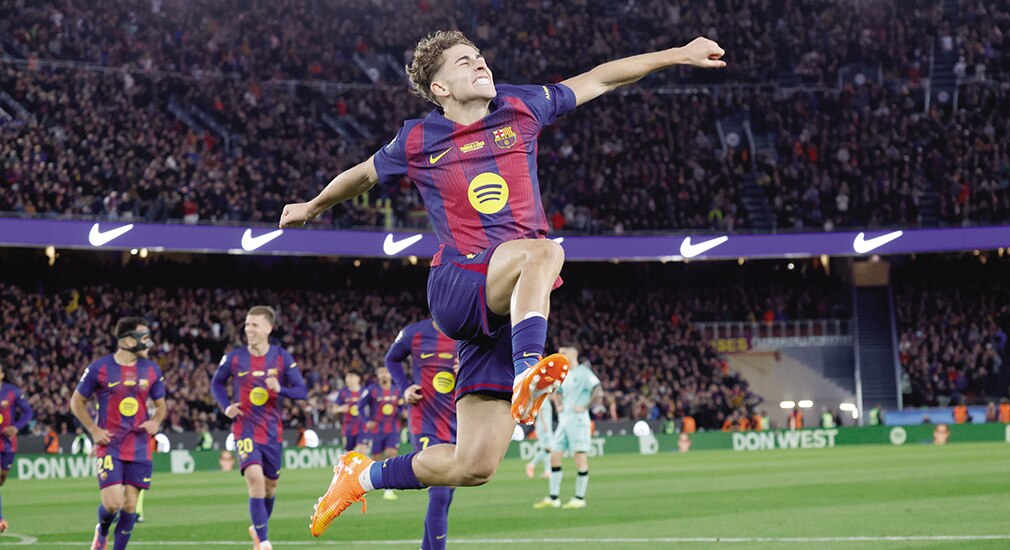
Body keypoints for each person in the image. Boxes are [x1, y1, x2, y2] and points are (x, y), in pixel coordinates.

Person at [289, 30, 726, 536]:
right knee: (546, 250)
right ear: (440, 89)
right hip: (459, 284)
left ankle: (359, 476)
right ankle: (526, 370)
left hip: (508, 303)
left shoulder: (522, 105)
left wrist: (679, 54)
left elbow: (602, 78)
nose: (479, 63)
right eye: (463, 61)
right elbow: (363, 175)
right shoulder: (417, 138)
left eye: (479, 56)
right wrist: (312, 207)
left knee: (474, 465)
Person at [211, 306, 308, 550]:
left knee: (270, 487)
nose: (249, 329)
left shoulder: (281, 357)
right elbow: (217, 383)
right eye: (246, 325)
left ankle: (258, 528)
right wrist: (225, 406)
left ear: (268, 328)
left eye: (254, 325)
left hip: (272, 431)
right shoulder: (234, 357)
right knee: (255, 480)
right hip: (244, 428)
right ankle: (263, 542)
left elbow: (301, 391)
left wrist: (280, 388)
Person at [69, 317, 167, 550]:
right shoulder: (100, 368)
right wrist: (93, 430)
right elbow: (76, 402)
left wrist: (156, 421)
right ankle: (102, 531)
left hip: (140, 445)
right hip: (110, 443)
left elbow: (162, 406)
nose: (148, 342)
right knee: (113, 504)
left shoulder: (152, 369)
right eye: (143, 337)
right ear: (127, 340)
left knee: (131, 506)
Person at [385, 319, 459, 549]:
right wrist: (404, 387)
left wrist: (468, 370)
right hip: (424, 421)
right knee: (439, 491)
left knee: (447, 493)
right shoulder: (413, 333)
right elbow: (392, 359)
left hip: (458, 421)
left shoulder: (467, 333)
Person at [535, 346, 602, 510]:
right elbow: (556, 391)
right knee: (554, 457)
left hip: (578, 420)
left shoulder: (584, 373)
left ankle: (579, 498)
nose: (561, 355)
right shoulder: (564, 374)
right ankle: (554, 498)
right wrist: (558, 404)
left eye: (564, 352)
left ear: (574, 353)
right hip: (565, 419)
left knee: (579, 458)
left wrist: (585, 406)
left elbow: (599, 392)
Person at [360, 367, 404, 501]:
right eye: (381, 372)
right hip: (377, 430)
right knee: (376, 459)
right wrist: (367, 421)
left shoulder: (397, 389)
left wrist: (404, 412)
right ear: (377, 375)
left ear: (390, 374)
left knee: (391, 455)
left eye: (386, 372)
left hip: (393, 429)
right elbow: (360, 406)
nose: (384, 375)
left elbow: (402, 406)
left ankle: (389, 490)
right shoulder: (371, 390)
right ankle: (366, 483)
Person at [0, 362, 33, 533]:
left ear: (2, 374)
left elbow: (28, 412)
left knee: (2, 476)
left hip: (7, 442)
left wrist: (16, 427)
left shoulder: (12, 392)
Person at [333, 372, 368, 455]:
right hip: (348, 428)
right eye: (347, 376)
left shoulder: (365, 392)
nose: (348, 379)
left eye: (351, 376)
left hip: (362, 428)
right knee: (349, 455)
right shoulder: (342, 393)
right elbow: (334, 409)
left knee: (361, 452)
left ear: (358, 378)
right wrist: (340, 409)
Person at [526, 399, 554, 479]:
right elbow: (540, 412)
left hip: (546, 427)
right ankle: (532, 464)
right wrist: (544, 425)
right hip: (544, 428)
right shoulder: (544, 399)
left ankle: (547, 471)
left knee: (547, 450)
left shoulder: (547, 400)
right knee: (549, 449)